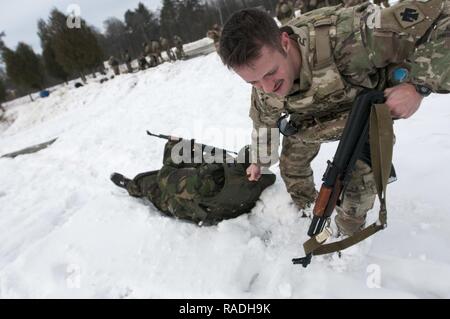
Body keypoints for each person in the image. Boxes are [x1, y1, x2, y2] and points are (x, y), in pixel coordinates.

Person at [218, 0, 449, 236]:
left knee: (358, 188)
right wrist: (259, 159)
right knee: (291, 167)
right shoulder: (264, 85)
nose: (266, 88)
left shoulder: (353, 38)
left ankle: (346, 240)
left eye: (271, 73)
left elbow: (444, 16)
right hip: (309, 120)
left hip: (363, 119)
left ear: (284, 43)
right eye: (253, 82)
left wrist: (418, 86)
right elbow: (264, 121)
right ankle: (309, 211)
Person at [110, 140, 276, 225]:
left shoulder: (211, 179)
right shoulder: (265, 178)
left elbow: (165, 177)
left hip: (191, 208)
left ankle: (131, 186)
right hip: (227, 205)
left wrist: (173, 147)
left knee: (149, 182)